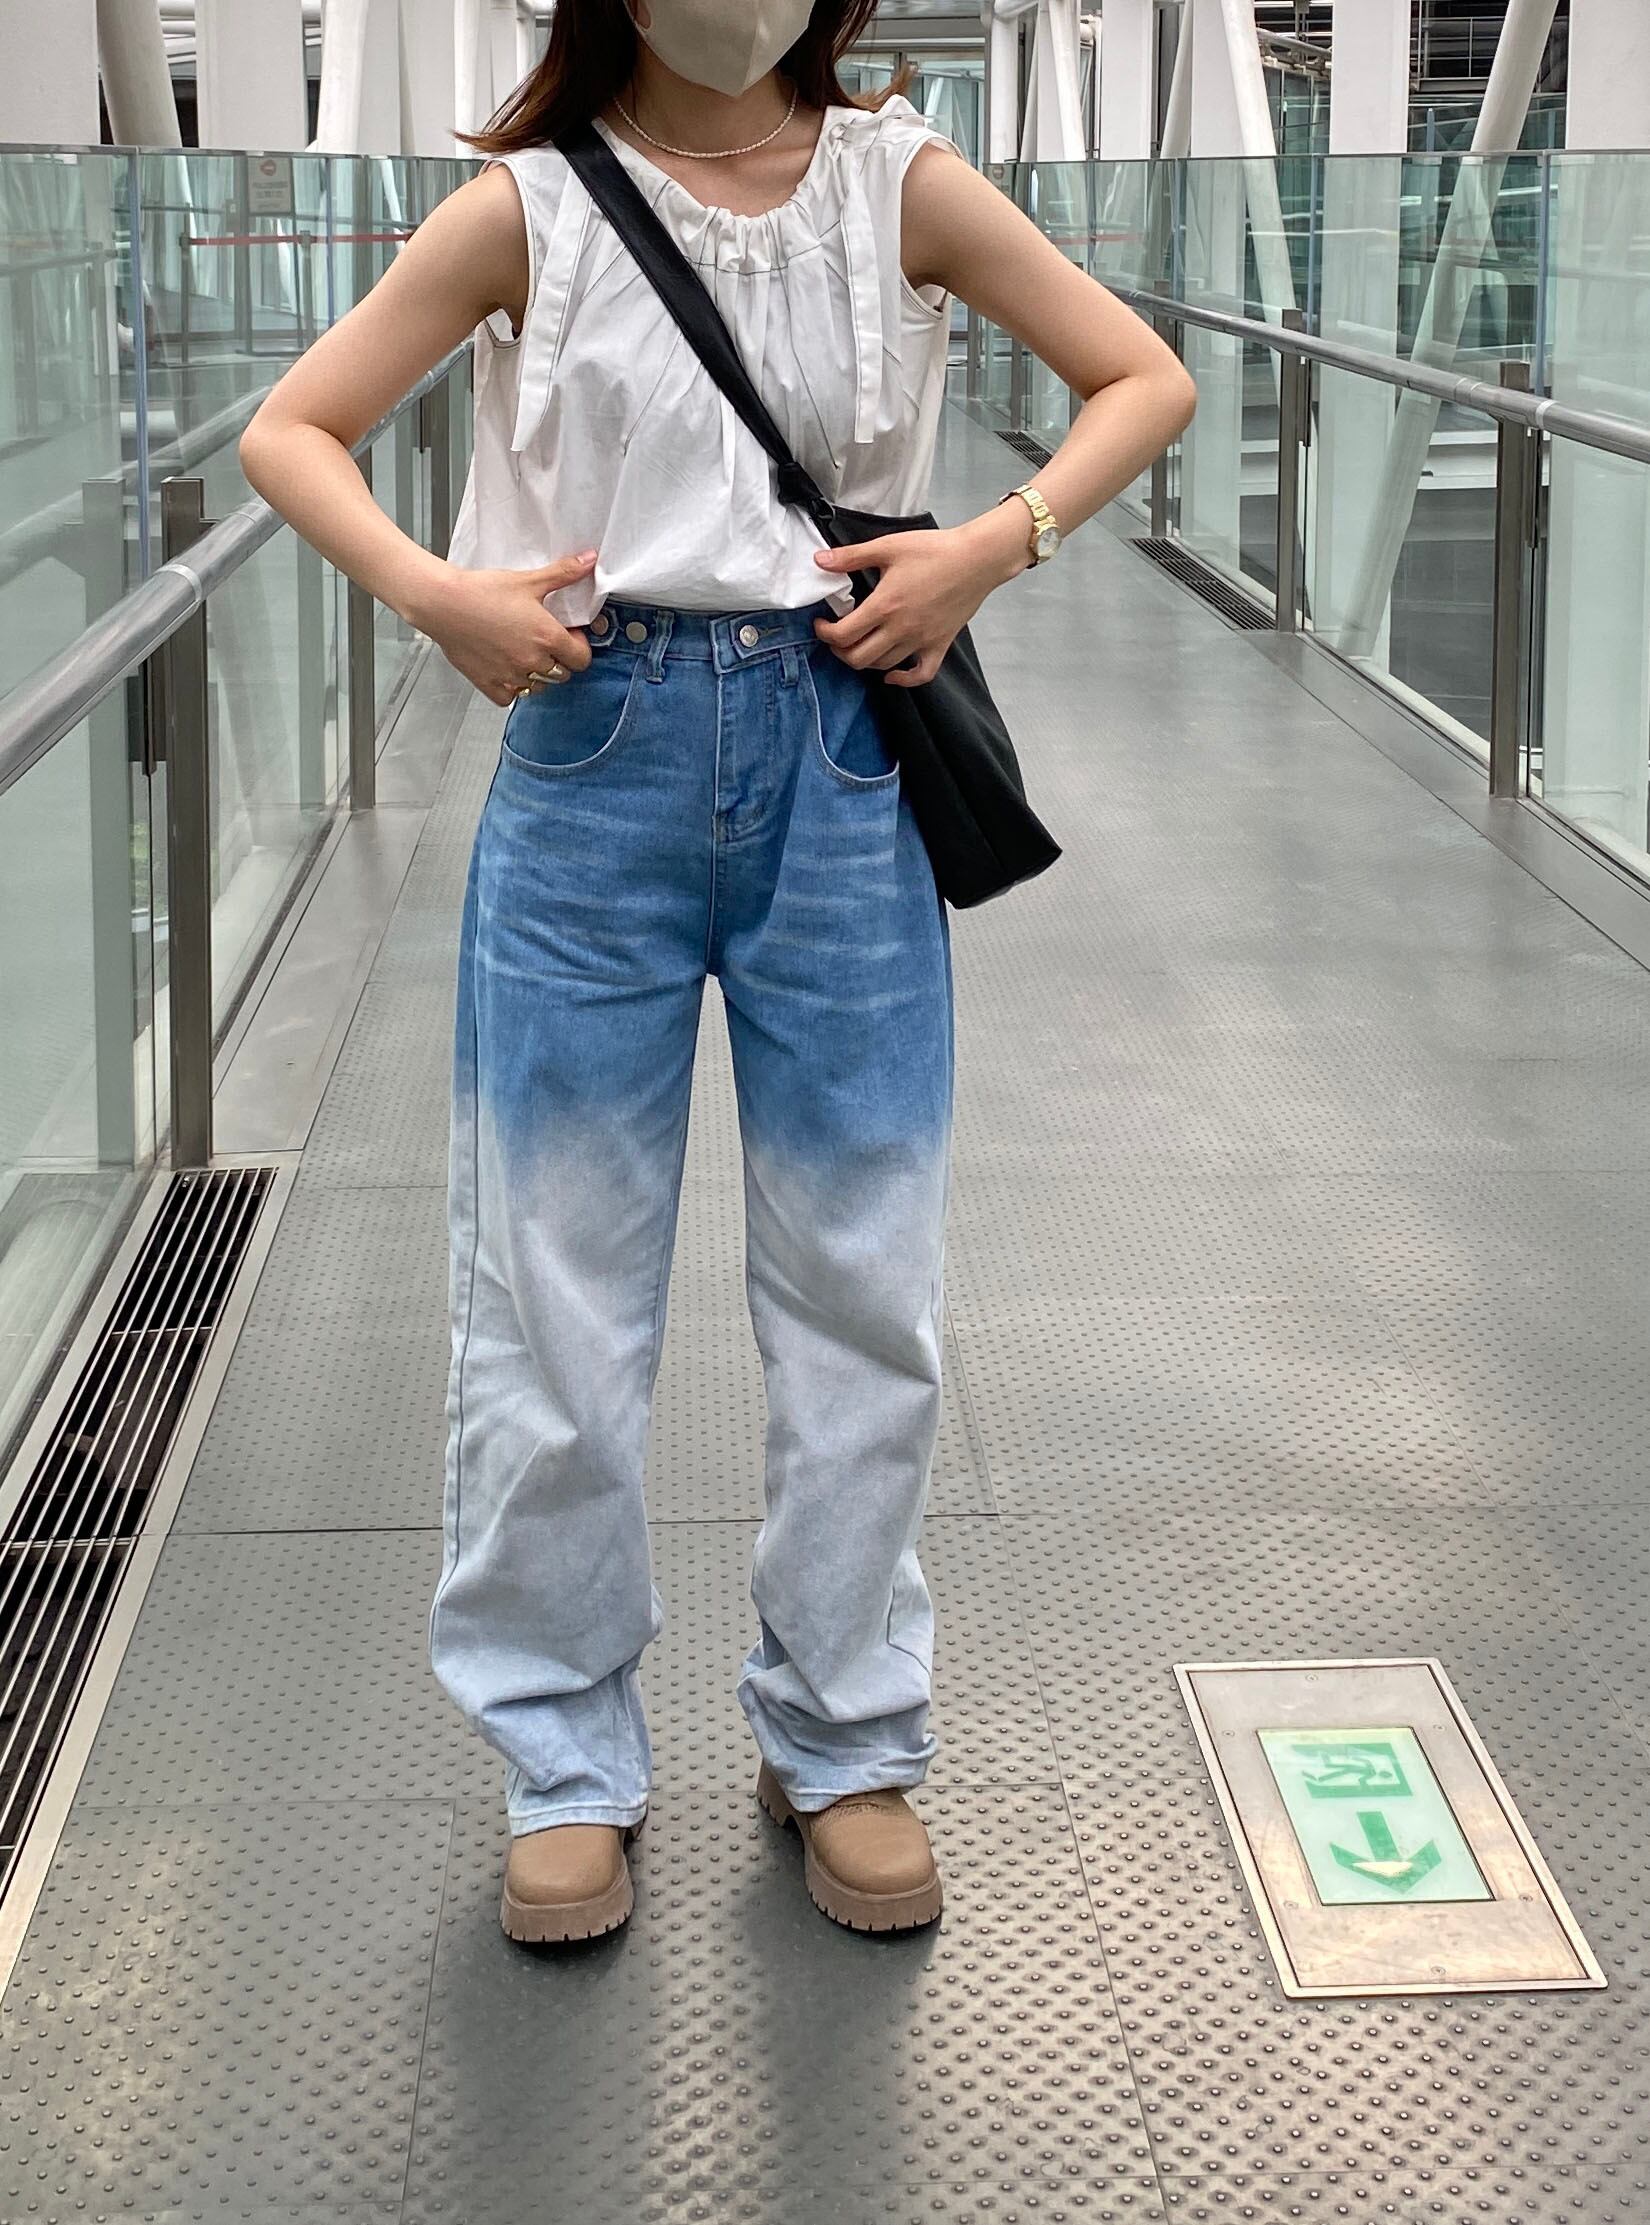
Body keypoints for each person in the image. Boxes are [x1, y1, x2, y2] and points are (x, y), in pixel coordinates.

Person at [240, 0, 1194, 1949]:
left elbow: (1140, 377)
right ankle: (561, 1753)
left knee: (862, 1278)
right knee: (550, 1286)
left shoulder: (898, 184)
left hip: (841, 750)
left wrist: (990, 543)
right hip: (593, 748)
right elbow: (292, 425)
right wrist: (432, 593)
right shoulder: (527, 207)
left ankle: (844, 1732)